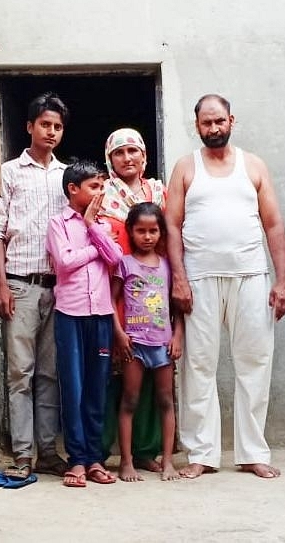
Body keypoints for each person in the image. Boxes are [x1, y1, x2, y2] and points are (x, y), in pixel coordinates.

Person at [165, 94, 285, 479]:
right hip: (200, 278)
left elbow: (273, 224)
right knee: (198, 365)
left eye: (219, 121)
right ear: (197, 125)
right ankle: (202, 453)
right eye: (206, 123)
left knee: (254, 362)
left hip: (251, 275)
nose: (214, 129)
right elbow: (172, 224)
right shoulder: (186, 168)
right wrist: (180, 279)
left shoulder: (253, 166)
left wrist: (282, 280)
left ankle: (253, 452)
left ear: (231, 120)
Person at [0, 92, 70, 480]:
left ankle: (49, 451)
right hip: (20, 285)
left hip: (60, 288)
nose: (51, 132)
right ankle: (23, 455)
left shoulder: (65, 176)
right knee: (20, 372)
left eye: (57, 126)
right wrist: (0, 283)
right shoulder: (8, 173)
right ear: (29, 127)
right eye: (44, 125)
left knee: (50, 374)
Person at [45, 160, 123, 487]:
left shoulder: (103, 225)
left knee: (96, 388)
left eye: (102, 187)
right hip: (70, 315)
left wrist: (92, 228)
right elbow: (64, 263)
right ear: (73, 189)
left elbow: (116, 258)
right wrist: (95, 247)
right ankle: (76, 459)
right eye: (94, 186)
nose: (100, 193)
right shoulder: (57, 223)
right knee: (73, 387)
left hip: (101, 315)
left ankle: (94, 458)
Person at [99, 128, 167, 473]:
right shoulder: (102, 194)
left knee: (154, 373)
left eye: (133, 151)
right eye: (119, 152)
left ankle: (145, 449)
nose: (127, 158)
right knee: (114, 372)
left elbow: (170, 239)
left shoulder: (159, 191)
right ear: (110, 159)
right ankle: (102, 450)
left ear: (144, 156)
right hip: (115, 291)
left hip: (152, 297)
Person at [111, 202, 183, 482]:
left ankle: (167, 461)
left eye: (153, 231)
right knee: (129, 400)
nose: (147, 236)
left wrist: (177, 336)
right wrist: (118, 334)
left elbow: (177, 307)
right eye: (141, 231)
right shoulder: (125, 264)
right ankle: (126, 462)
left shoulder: (167, 266)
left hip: (163, 345)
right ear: (130, 231)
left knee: (166, 400)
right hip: (134, 346)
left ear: (161, 233)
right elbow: (111, 299)